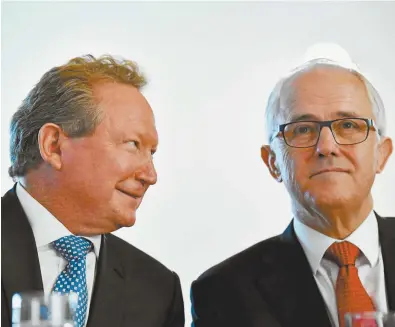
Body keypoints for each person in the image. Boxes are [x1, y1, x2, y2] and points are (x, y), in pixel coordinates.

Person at [190, 56, 395, 327]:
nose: (327, 147)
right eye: (302, 130)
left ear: (382, 154)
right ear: (273, 162)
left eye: (348, 125)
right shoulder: (222, 293)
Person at [2, 55, 185, 327]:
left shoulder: (158, 291)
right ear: (54, 146)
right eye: (133, 144)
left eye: (152, 153)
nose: (150, 175)